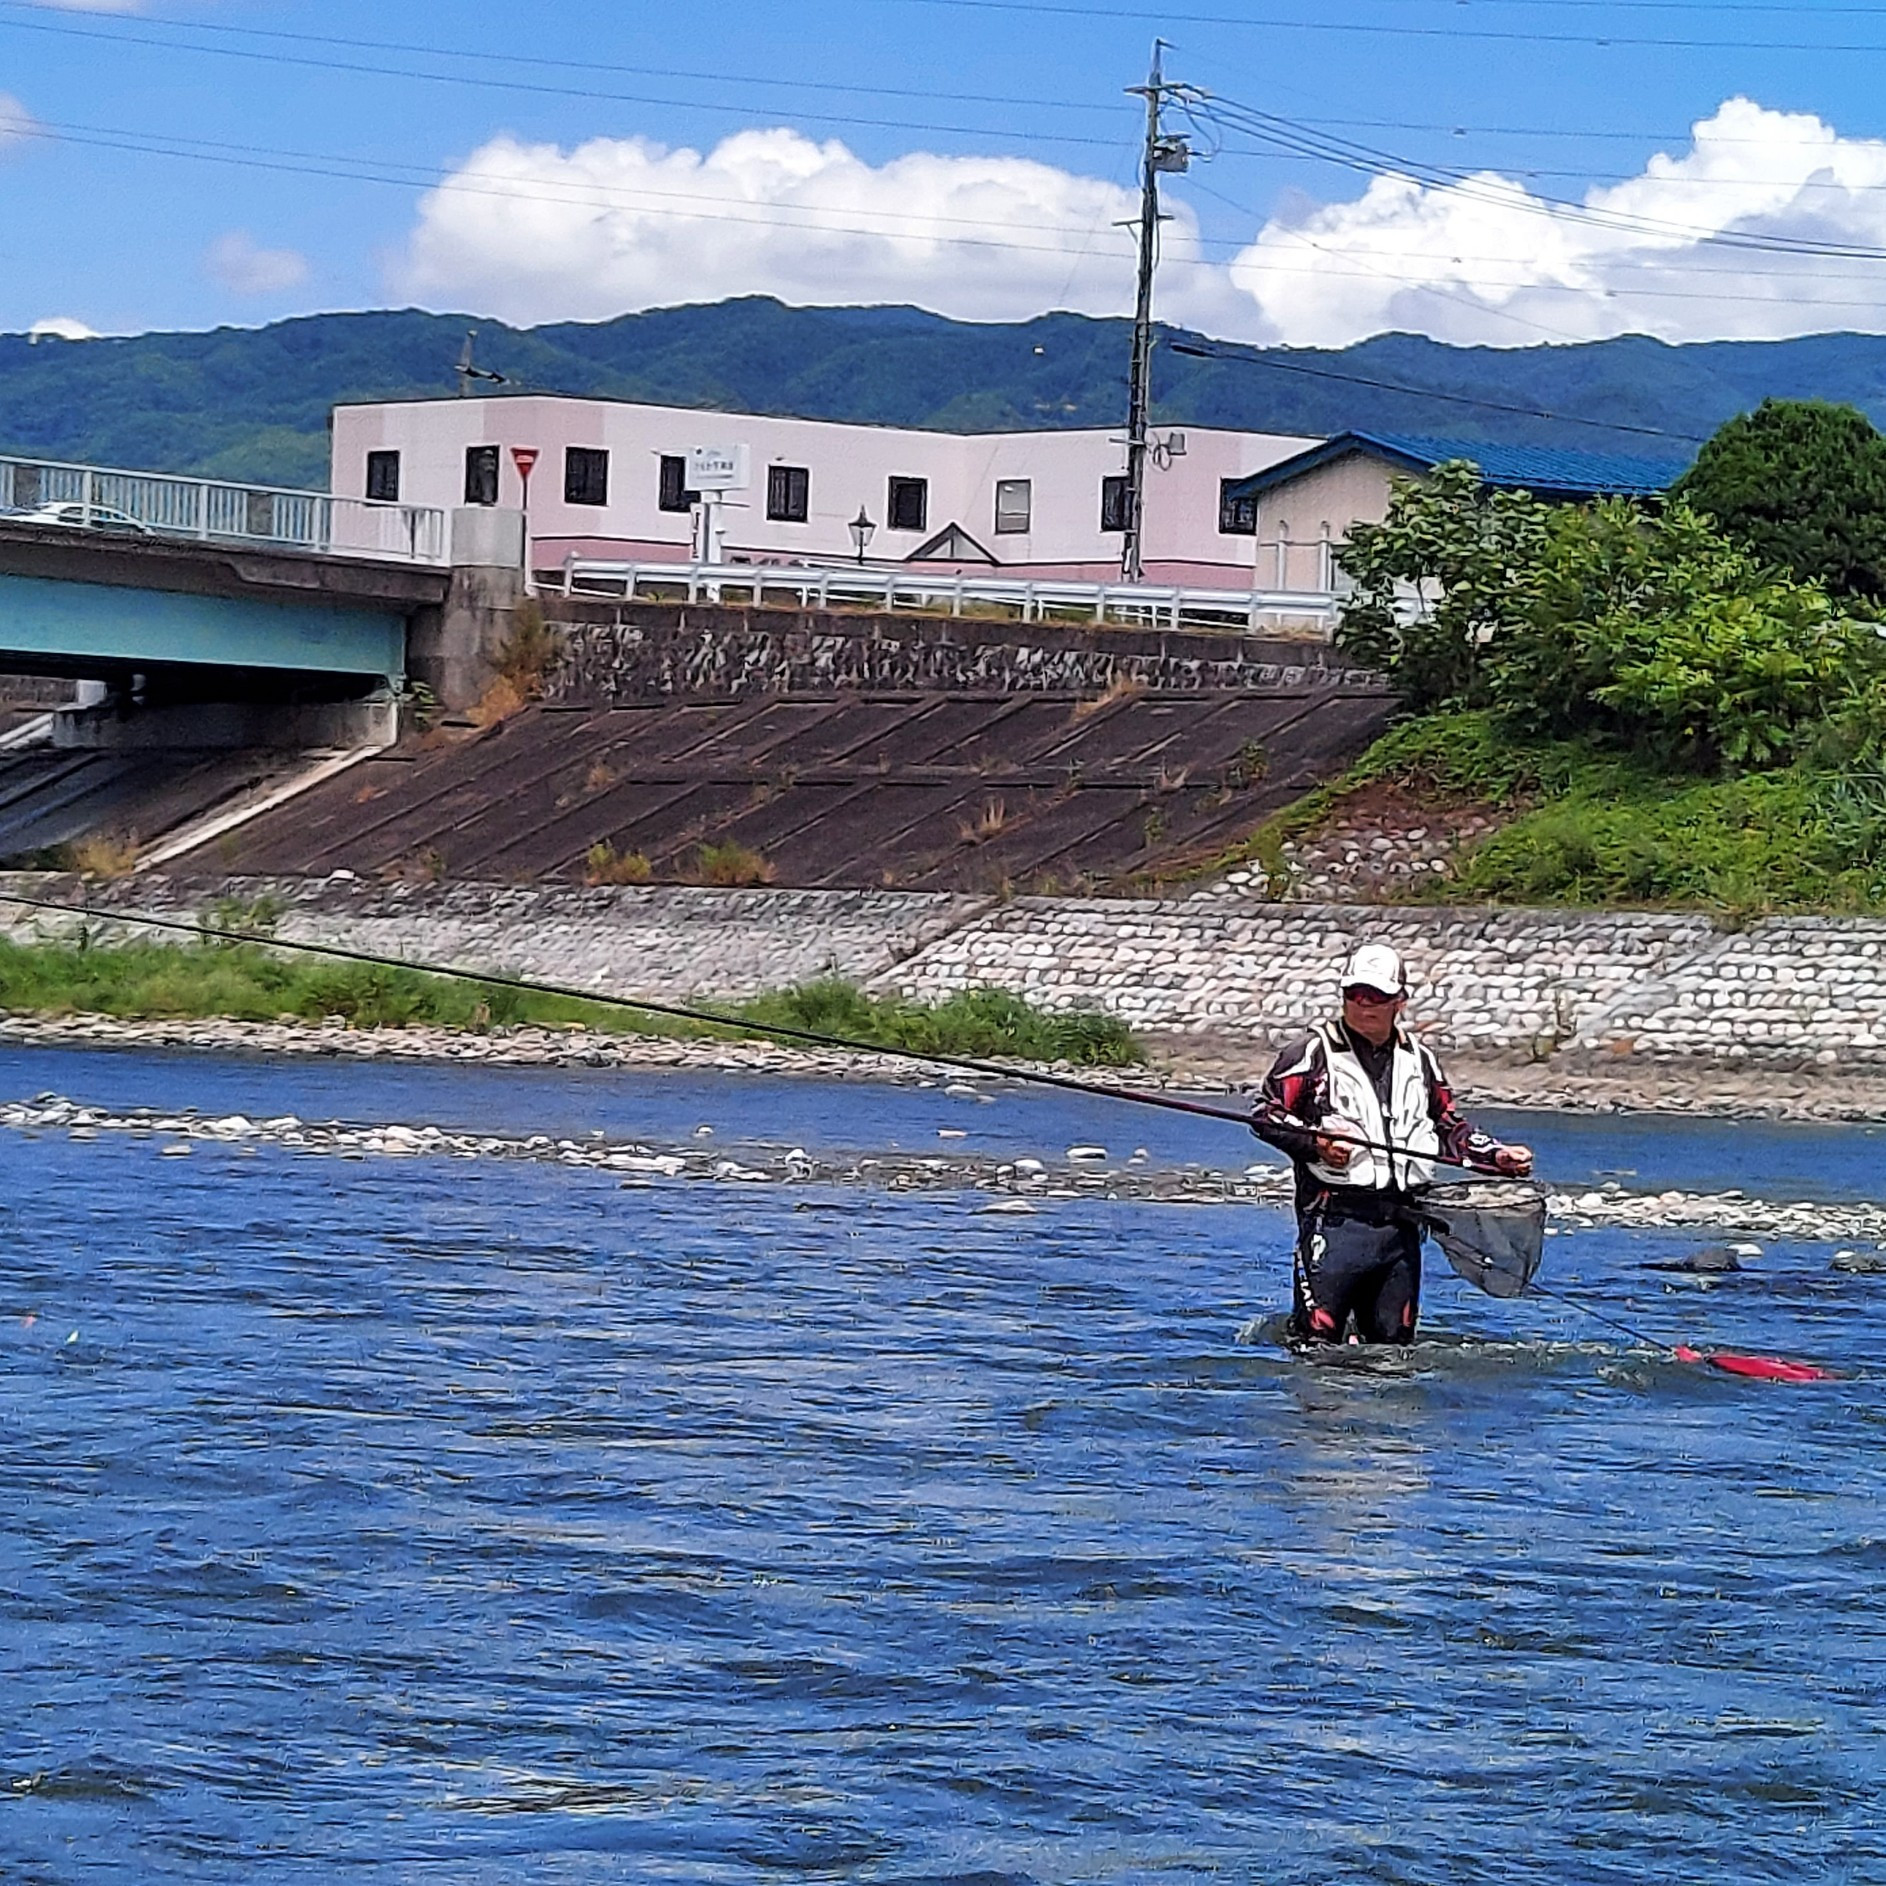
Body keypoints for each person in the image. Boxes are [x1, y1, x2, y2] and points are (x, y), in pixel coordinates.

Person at [1251, 941, 1533, 1347]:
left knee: (1394, 1351)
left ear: (1400, 1000)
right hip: (1334, 1223)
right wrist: (1316, 1144)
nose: (1364, 1004)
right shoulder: (1310, 1053)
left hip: (1400, 1229)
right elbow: (1264, 1114)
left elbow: (1449, 1128)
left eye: (1377, 996)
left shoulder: (1421, 1059)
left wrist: (1497, 1156)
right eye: (1355, 994)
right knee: (1315, 1346)